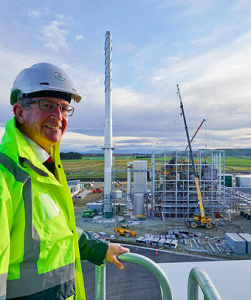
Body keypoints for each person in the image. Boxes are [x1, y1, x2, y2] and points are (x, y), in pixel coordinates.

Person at [0, 63, 129, 300]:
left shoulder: (44, 168)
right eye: (47, 105)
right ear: (19, 112)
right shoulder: (6, 176)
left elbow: (56, 231)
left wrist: (100, 248)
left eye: (64, 108)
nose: (58, 116)